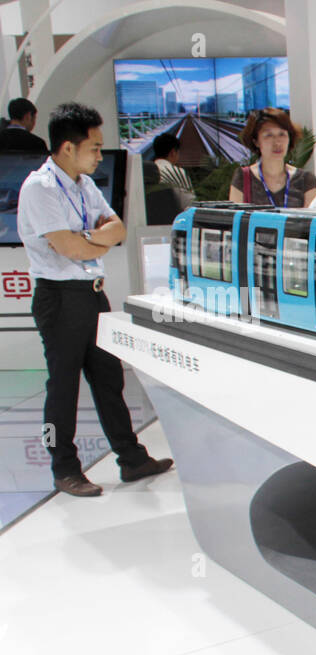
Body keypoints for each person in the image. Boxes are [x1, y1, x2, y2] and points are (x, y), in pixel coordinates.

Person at [17, 103, 172, 497]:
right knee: (63, 388)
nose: (101, 156)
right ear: (68, 147)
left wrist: (85, 239)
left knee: (108, 380)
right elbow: (69, 249)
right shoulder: (40, 188)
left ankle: (132, 459)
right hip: (59, 299)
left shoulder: (84, 185)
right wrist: (90, 239)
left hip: (92, 296)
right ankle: (64, 469)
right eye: (95, 147)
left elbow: (117, 230)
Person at [228, 108, 316, 207]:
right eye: (269, 135)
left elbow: (310, 220)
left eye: (282, 134)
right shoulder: (243, 177)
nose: (277, 142)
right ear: (256, 141)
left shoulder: (306, 180)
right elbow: (236, 219)